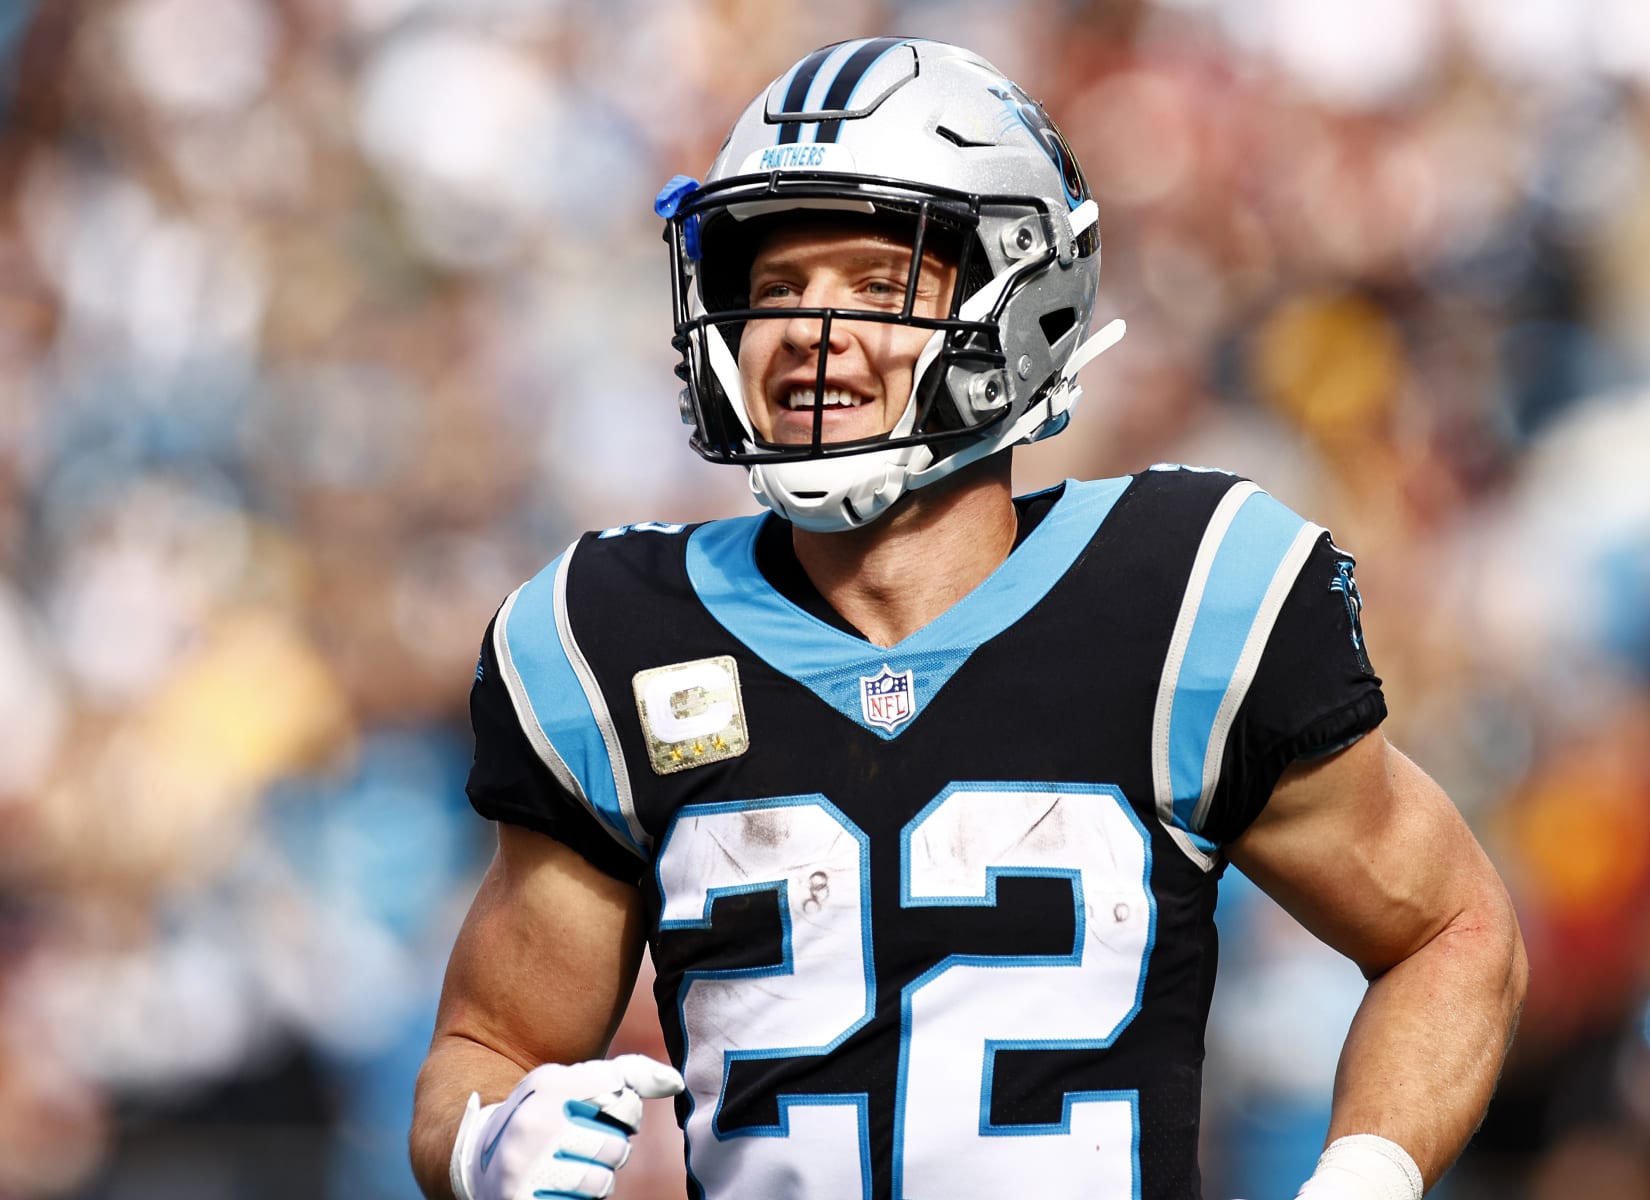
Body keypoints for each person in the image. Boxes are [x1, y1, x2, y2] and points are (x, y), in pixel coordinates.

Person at [409, 36, 1527, 1200]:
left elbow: (1449, 934)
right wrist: (485, 1142)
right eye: (775, 287)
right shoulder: (617, 636)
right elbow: (486, 1046)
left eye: (875, 284)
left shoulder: (1183, 598)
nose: (806, 330)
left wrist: (1365, 1176)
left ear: (1021, 298)